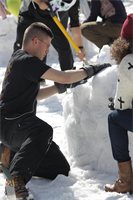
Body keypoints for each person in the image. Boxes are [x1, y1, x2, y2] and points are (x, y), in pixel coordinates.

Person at [0, 22, 110, 199]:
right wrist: (90, 70)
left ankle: (10, 156)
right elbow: (64, 76)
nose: (48, 51)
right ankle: (16, 179)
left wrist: (59, 88)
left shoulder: (20, 59)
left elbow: (34, 94)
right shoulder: (27, 60)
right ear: (35, 41)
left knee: (59, 168)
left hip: (16, 127)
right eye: (47, 45)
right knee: (42, 130)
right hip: (12, 124)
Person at [13, 0, 86, 71]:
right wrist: (39, 2)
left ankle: (68, 76)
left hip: (48, 17)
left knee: (63, 45)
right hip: (29, 13)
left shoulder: (74, 1)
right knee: (21, 45)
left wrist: (80, 48)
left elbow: (75, 24)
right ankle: (14, 73)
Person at [104, 13, 133, 194]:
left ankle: (125, 182)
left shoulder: (129, 61)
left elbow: (122, 103)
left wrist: (114, 103)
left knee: (114, 118)